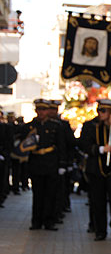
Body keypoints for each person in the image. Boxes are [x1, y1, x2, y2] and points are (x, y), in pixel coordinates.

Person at [79, 99, 111, 241]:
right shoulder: (90, 126)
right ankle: (100, 230)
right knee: (97, 201)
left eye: (105, 111)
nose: (101, 113)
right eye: (100, 110)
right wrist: (100, 149)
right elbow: (84, 145)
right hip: (96, 169)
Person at [21, 99, 66, 231]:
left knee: (50, 194)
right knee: (37, 194)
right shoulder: (29, 126)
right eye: (39, 109)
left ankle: (49, 221)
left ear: (47, 111)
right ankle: (36, 221)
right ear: (36, 111)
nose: (41, 112)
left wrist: (62, 164)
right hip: (36, 162)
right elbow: (22, 144)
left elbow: (61, 146)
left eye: (44, 109)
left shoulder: (55, 126)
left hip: (51, 162)